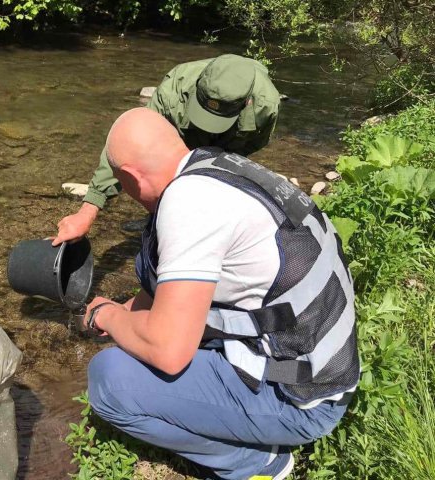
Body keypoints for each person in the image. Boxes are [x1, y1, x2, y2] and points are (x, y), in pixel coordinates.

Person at [82, 108, 359, 480]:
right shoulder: (218, 167)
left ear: (130, 177)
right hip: (326, 366)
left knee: (109, 379)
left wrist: (107, 316)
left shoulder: (187, 205)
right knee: (147, 335)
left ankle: (257, 464)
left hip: (303, 403)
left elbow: (168, 353)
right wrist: (129, 310)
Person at [54, 53, 280, 246]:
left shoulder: (265, 105)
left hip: (230, 143)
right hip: (185, 133)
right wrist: (88, 210)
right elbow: (128, 143)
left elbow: (251, 147)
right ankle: (158, 223)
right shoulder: (175, 89)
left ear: (248, 104)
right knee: (161, 180)